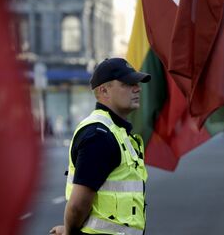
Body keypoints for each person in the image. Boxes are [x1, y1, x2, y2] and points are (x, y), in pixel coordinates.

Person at [50, 58, 151, 235]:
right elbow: (77, 205)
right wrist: (68, 233)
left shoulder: (116, 132)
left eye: (137, 83)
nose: (137, 88)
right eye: (128, 83)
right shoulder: (99, 135)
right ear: (104, 91)